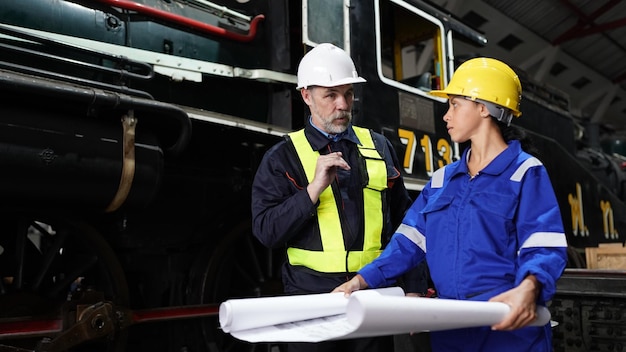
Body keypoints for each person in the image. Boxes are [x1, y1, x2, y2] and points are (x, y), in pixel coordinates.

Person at [332, 57, 568, 352]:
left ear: (484, 107)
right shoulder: (443, 179)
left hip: (508, 331)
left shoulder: (525, 172)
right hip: (452, 331)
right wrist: (361, 281)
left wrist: (529, 289)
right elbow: (408, 243)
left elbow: (544, 245)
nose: (446, 115)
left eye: (455, 104)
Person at [251, 43, 412, 352]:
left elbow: (407, 224)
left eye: (348, 94)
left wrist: (415, 287)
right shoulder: (282, 157)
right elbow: (266, 232)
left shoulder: (378, 147)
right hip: (312, 302)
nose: (343, 105)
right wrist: (313, 190)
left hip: (371, 294)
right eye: (331, 95)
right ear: (306, 96)